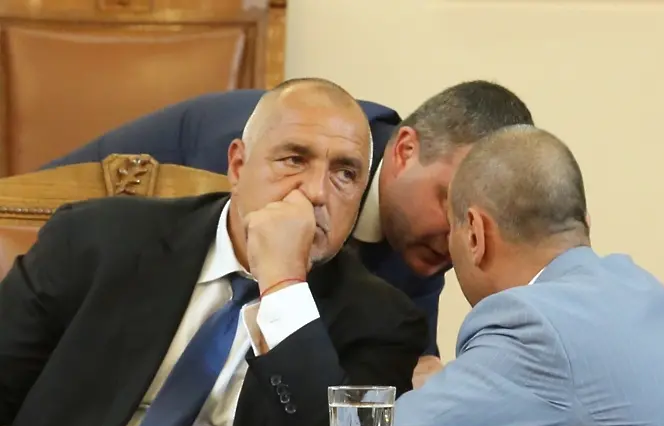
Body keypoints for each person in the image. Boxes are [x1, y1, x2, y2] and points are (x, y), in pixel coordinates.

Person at [0, 78, 427, 426]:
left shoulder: (384, 322)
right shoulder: (95, 241)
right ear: (238, 166)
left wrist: (283, 287)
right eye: (294, 160)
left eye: (345, 174)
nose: (316, 192)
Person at [44, 81, 534, 383]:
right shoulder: (275, 157)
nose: (456, 238)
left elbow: (391, 369)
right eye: (450, 202)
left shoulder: (422, 239)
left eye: (473, 221)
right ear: (404, 152)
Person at [393, 125, 664, 426]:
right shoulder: (636, 285)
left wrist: (426, 390)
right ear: (584, 224)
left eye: (452, 229)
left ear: (475, 233)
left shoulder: (532, 326)